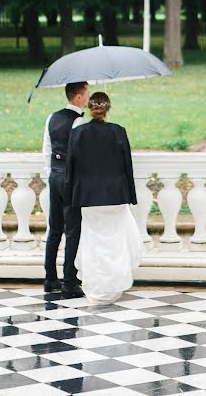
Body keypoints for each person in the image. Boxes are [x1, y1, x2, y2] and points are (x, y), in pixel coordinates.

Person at [64, 91, 143, 304]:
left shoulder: (78, 133)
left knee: (93, 243)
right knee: (115, 243)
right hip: (115, 196)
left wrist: (71, 198)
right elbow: (128, 167)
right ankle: (114, 285)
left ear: (90, 108)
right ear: (108, 109)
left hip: (87, 198)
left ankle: (96, 286)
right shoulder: (119, 132)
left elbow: (71, 169)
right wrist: (131, 196)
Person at [42, 81, 90, 299]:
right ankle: (70, 281)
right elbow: (81, 155)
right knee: (72, 230)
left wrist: (52, 174)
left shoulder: (52, 117)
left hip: (54, 176)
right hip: (71, 179)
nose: (89, 97)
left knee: (54, 228)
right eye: (87, 93)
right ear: (78, 98)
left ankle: (50, 278)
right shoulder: (79, 120)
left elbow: (47, 150)